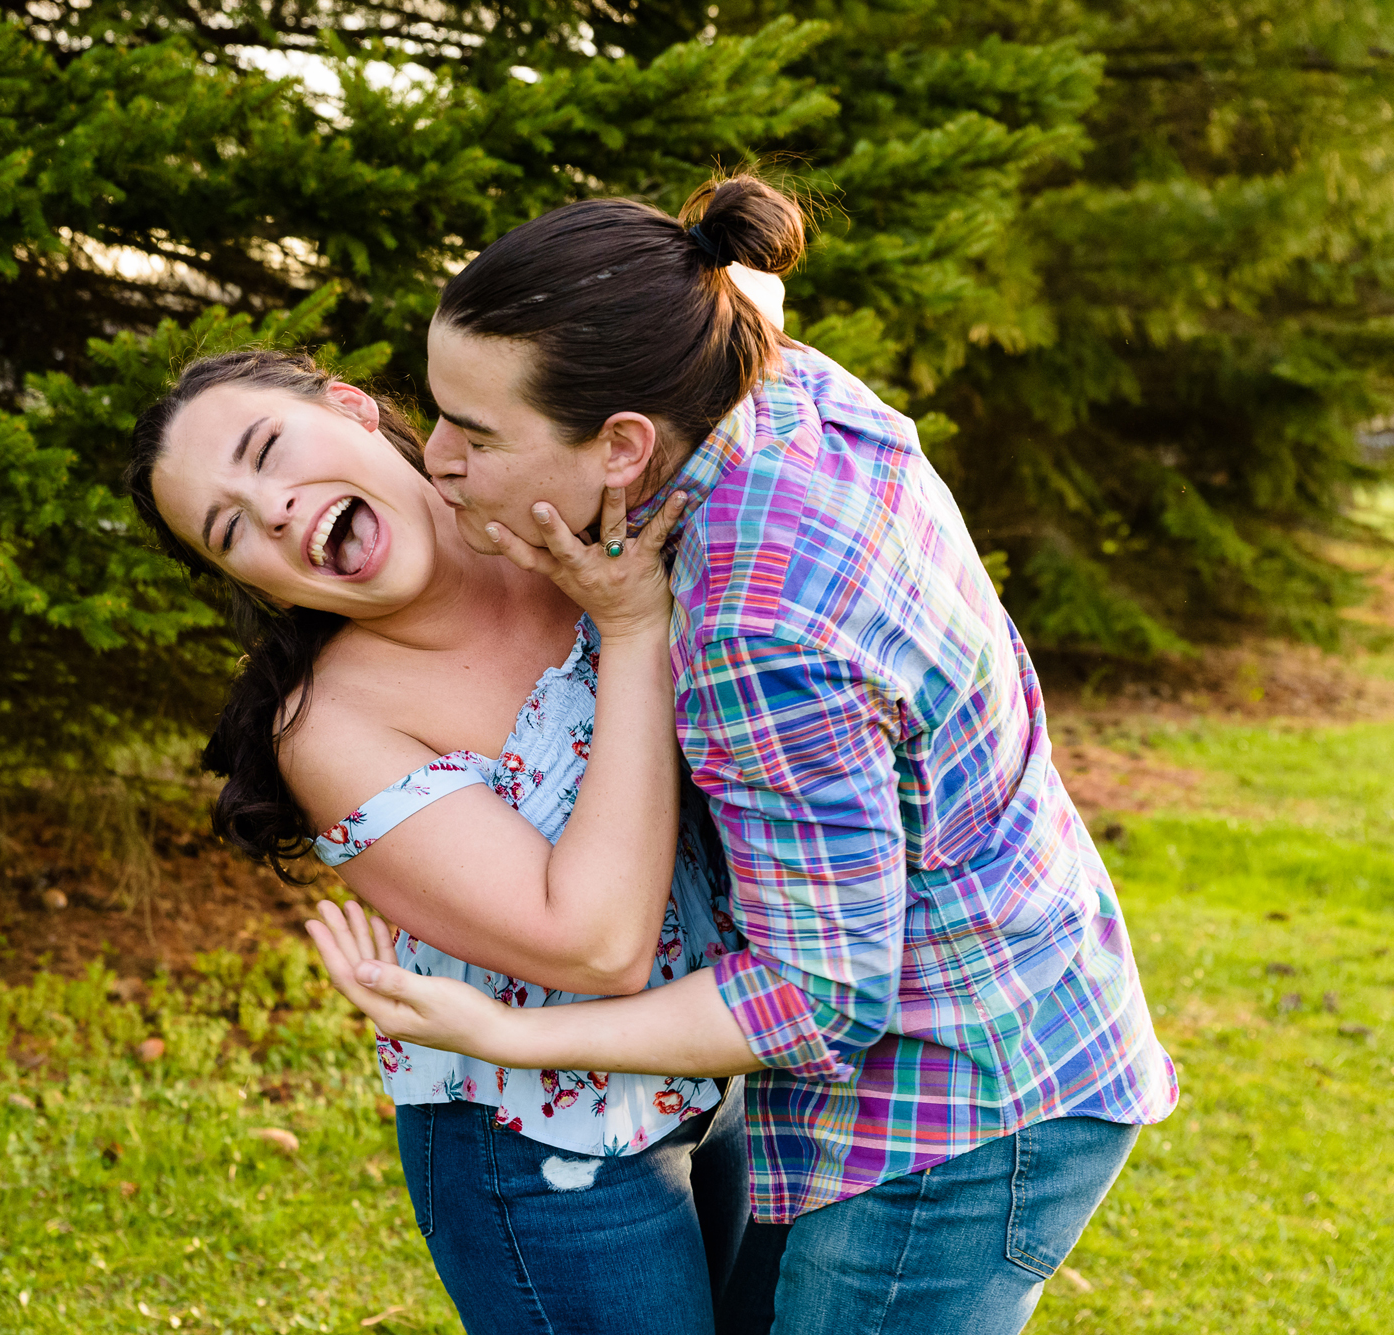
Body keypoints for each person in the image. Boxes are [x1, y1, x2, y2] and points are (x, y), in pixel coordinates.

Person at [307, 176, 1180, 1335]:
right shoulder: (763, 372)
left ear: (622, 445)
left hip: (960, 1099)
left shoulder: (752, 629)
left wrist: (508, 1034)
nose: (441, 462)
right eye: (436, 415)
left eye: (475, 434)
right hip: (1019, 987)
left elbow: (816, 1001)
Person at [125, 349, 760, 1334]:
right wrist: (632, 633)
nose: (276, 512)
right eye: (231, 530)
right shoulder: (332, 732)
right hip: (541, 1147)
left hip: (723, 1068)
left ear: (348, 406)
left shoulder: (556, 516)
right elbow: (593, 943)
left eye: (268, 453)